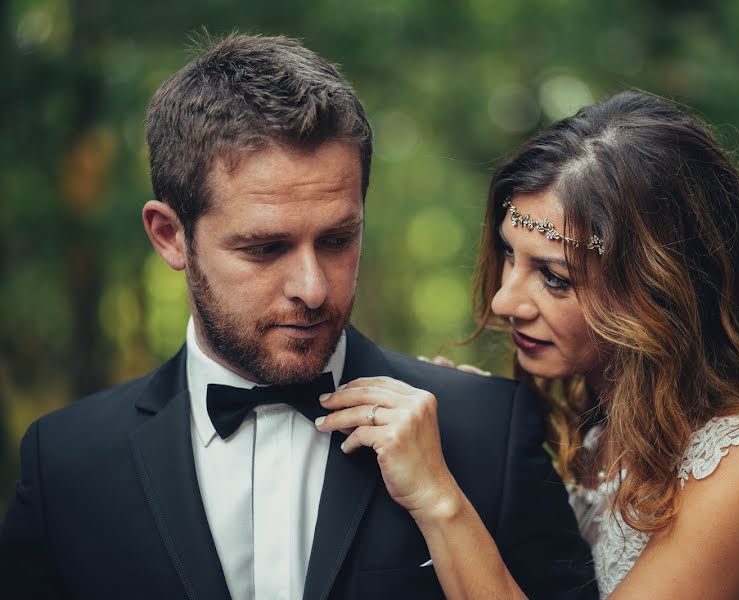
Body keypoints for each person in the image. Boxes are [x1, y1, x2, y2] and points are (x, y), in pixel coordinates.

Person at [0, 34, 598, 600]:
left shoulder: (488, 431)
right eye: (264, 248)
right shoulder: (66, 463)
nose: (313, 289)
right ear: (170, 236)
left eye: (338, 240)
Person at [317, 91, 739, 599]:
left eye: (554, 278)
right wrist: (467, 445)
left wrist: (439, 497)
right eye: (509, 254)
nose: (505, 301)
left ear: (657, 292)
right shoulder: (596, 439)